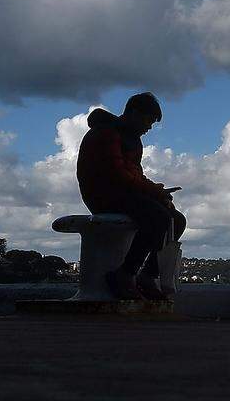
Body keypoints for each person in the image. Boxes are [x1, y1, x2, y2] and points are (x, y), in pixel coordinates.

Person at [76, 91, 185, 301]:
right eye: (148, 120)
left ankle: (147, 276)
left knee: (176, 220)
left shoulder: (131, 140)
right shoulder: (106, 134)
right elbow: (117, 175)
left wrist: (159, 194)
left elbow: (133, 176)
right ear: (134, 113)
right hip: (103, 196)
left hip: (123, 194)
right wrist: (155, 192)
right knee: (158, 217)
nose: (149, 127)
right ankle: (125, 274)